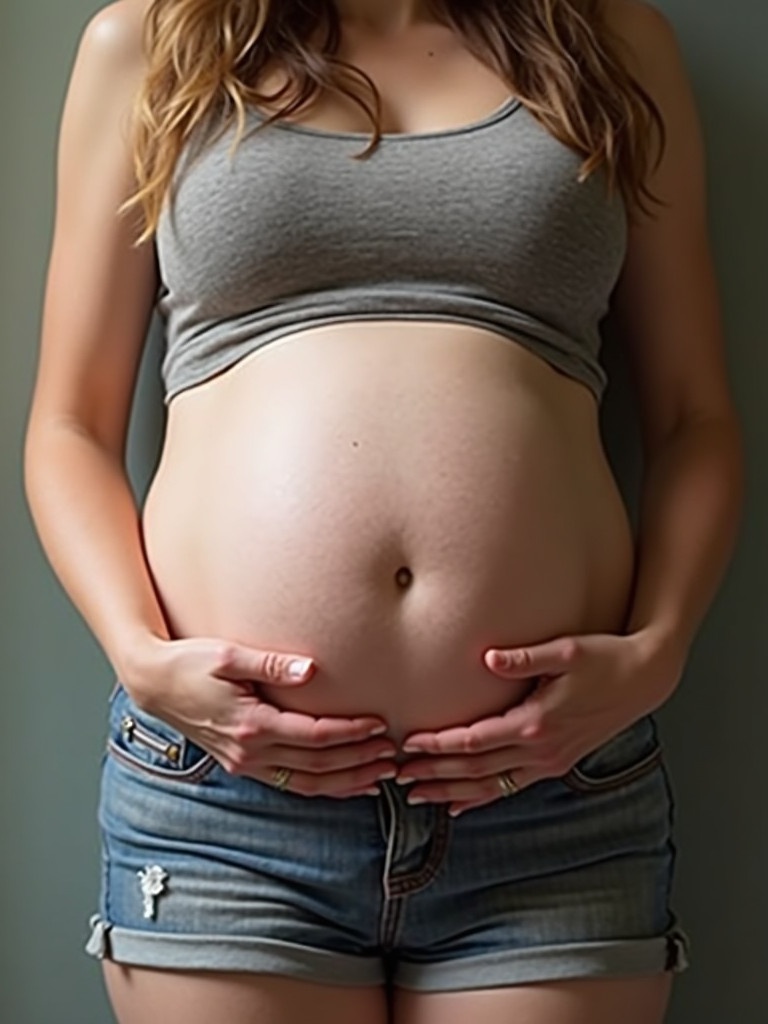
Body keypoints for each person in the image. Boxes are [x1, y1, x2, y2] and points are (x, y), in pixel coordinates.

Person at [24, 0, 743, 1021]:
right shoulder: (150, 43)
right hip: (229, 797)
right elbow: (68, 428)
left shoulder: (612, 41)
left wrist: (659, 652)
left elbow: (692, 418)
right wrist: (143, 657)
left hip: (552, 787)